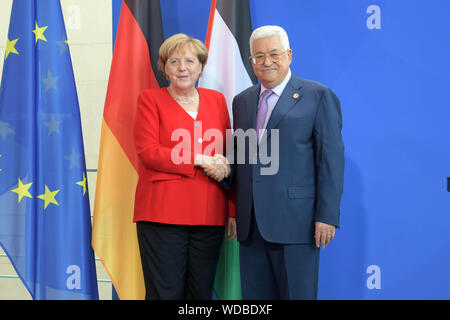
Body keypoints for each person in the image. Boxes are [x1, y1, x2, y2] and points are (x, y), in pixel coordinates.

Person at [225, 25, 344, 299]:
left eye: (274, 54)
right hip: (251, 226)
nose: (267, 62)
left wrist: (326, 216)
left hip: (297, 224)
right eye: (259, 56)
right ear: (251, 61)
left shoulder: (318, 96)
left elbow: (330, 162)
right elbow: (242, 159)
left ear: (289, 55)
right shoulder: (241, 102)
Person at [133, 33, 232, 300]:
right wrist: (200, 159)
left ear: (201, 66)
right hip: (162, 215)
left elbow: (230, 153)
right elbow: (149, 152)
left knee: (200, 295)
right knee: (165, 293)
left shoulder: (217, 100)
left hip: (209, 215)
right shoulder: (149, 100)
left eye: (190, 61)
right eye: (174, 61)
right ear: (164, 68)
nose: (182, 68)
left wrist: (225, 167)